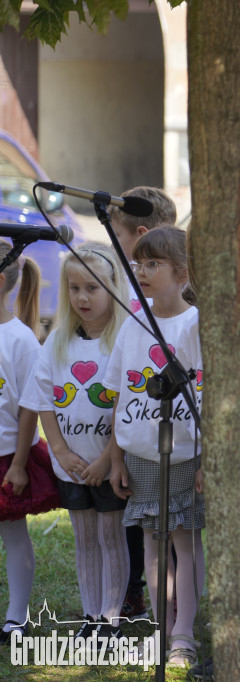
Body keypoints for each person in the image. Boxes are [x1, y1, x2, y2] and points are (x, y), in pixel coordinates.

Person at [103, 227, 205, 668]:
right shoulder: (132, 323)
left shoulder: (197, 325)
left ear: (182, 273)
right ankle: (161, 629)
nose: (142, 272)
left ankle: (184, 634)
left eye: (153, 265)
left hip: (184, 455)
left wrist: (209, 460)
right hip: (141, 454)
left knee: (185, 543)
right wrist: (115, 455)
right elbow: (118, 396)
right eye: (139, 264)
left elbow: (212, 398)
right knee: (151, 542)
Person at [21, 243, 130, 645]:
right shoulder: (58, 341)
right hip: (70, 464)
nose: (82, 297)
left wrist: (108, 458)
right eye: (74, 288)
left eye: (93, 288)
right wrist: (61, 452)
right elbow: (44, 398)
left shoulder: (123, 341)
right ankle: (91, 617)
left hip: (108, 464)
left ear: (113, 288)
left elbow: (125, 404)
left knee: (110, 537)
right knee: (84, 539)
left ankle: (112, 618)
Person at [108, 186, 178, 621]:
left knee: (177, 536)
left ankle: (177, 616)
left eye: (116, 236)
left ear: (139, 232)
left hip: (176, 441)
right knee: (142, 527)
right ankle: (148, 600)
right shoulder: (131, 304)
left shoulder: (174, 309)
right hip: (135, 438)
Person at [0, 242, 53, 643]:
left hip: (5, 457)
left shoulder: (20, 341)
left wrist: (19, 464)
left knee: (14, 534)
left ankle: (16, 617)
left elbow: (28, 409)